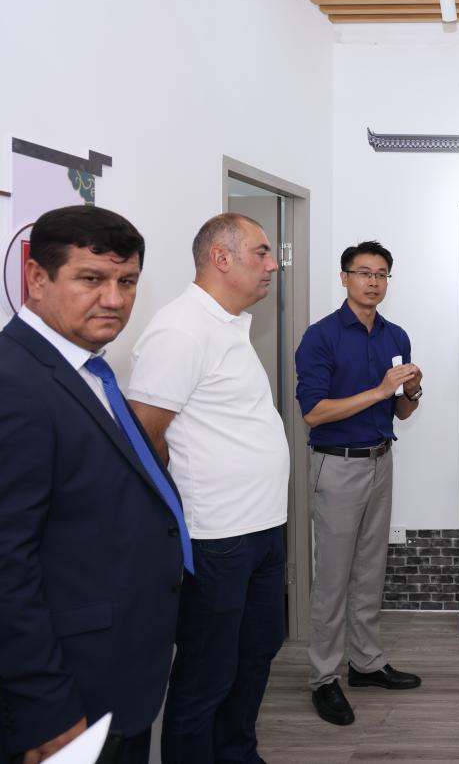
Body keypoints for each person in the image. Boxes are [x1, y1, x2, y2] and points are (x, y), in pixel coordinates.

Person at [0, 206, 187, 764]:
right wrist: (46, 709)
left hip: (115, 672)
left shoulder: (88, 370)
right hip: (65, 697)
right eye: (91, 279)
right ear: (36, 278)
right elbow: (6, 564)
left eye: (127, 282)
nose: (114, 299)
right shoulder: (15, 382)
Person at [129, 213, 289, 764]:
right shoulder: (181, 329)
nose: (273, 265)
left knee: (256, 654)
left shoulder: (228, 325)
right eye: (261, 252)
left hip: (263, 526)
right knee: (207, 673)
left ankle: (239, 754)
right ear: (221, 258)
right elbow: (145, 438)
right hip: (215, 536)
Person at [296, 241, 424, 726]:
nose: (373, 281)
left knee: (371, 570)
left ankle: (366, 663)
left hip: (380, 460)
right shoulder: (321, 337)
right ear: (344, 277)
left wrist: (411, 390)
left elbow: (402, 410)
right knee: (332, 578)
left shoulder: (395, 335)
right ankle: (324, 678)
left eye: (382, 274)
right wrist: (380, 390)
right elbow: (314, 412)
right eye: (364, 272)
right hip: (337, 464)